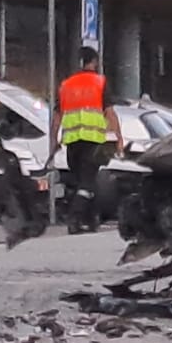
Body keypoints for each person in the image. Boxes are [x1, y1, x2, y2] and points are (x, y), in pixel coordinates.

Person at [49, 47, 114, 234]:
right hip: (92, 140)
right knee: (87, 183)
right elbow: (110, 113)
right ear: (94, 61)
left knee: (83, 181)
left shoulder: (66, 85)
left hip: (72, 142)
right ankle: (75, 218)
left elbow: (56, 117)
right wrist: (118, 138)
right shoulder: (100, 82)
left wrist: (54, 141)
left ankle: (91, 219)